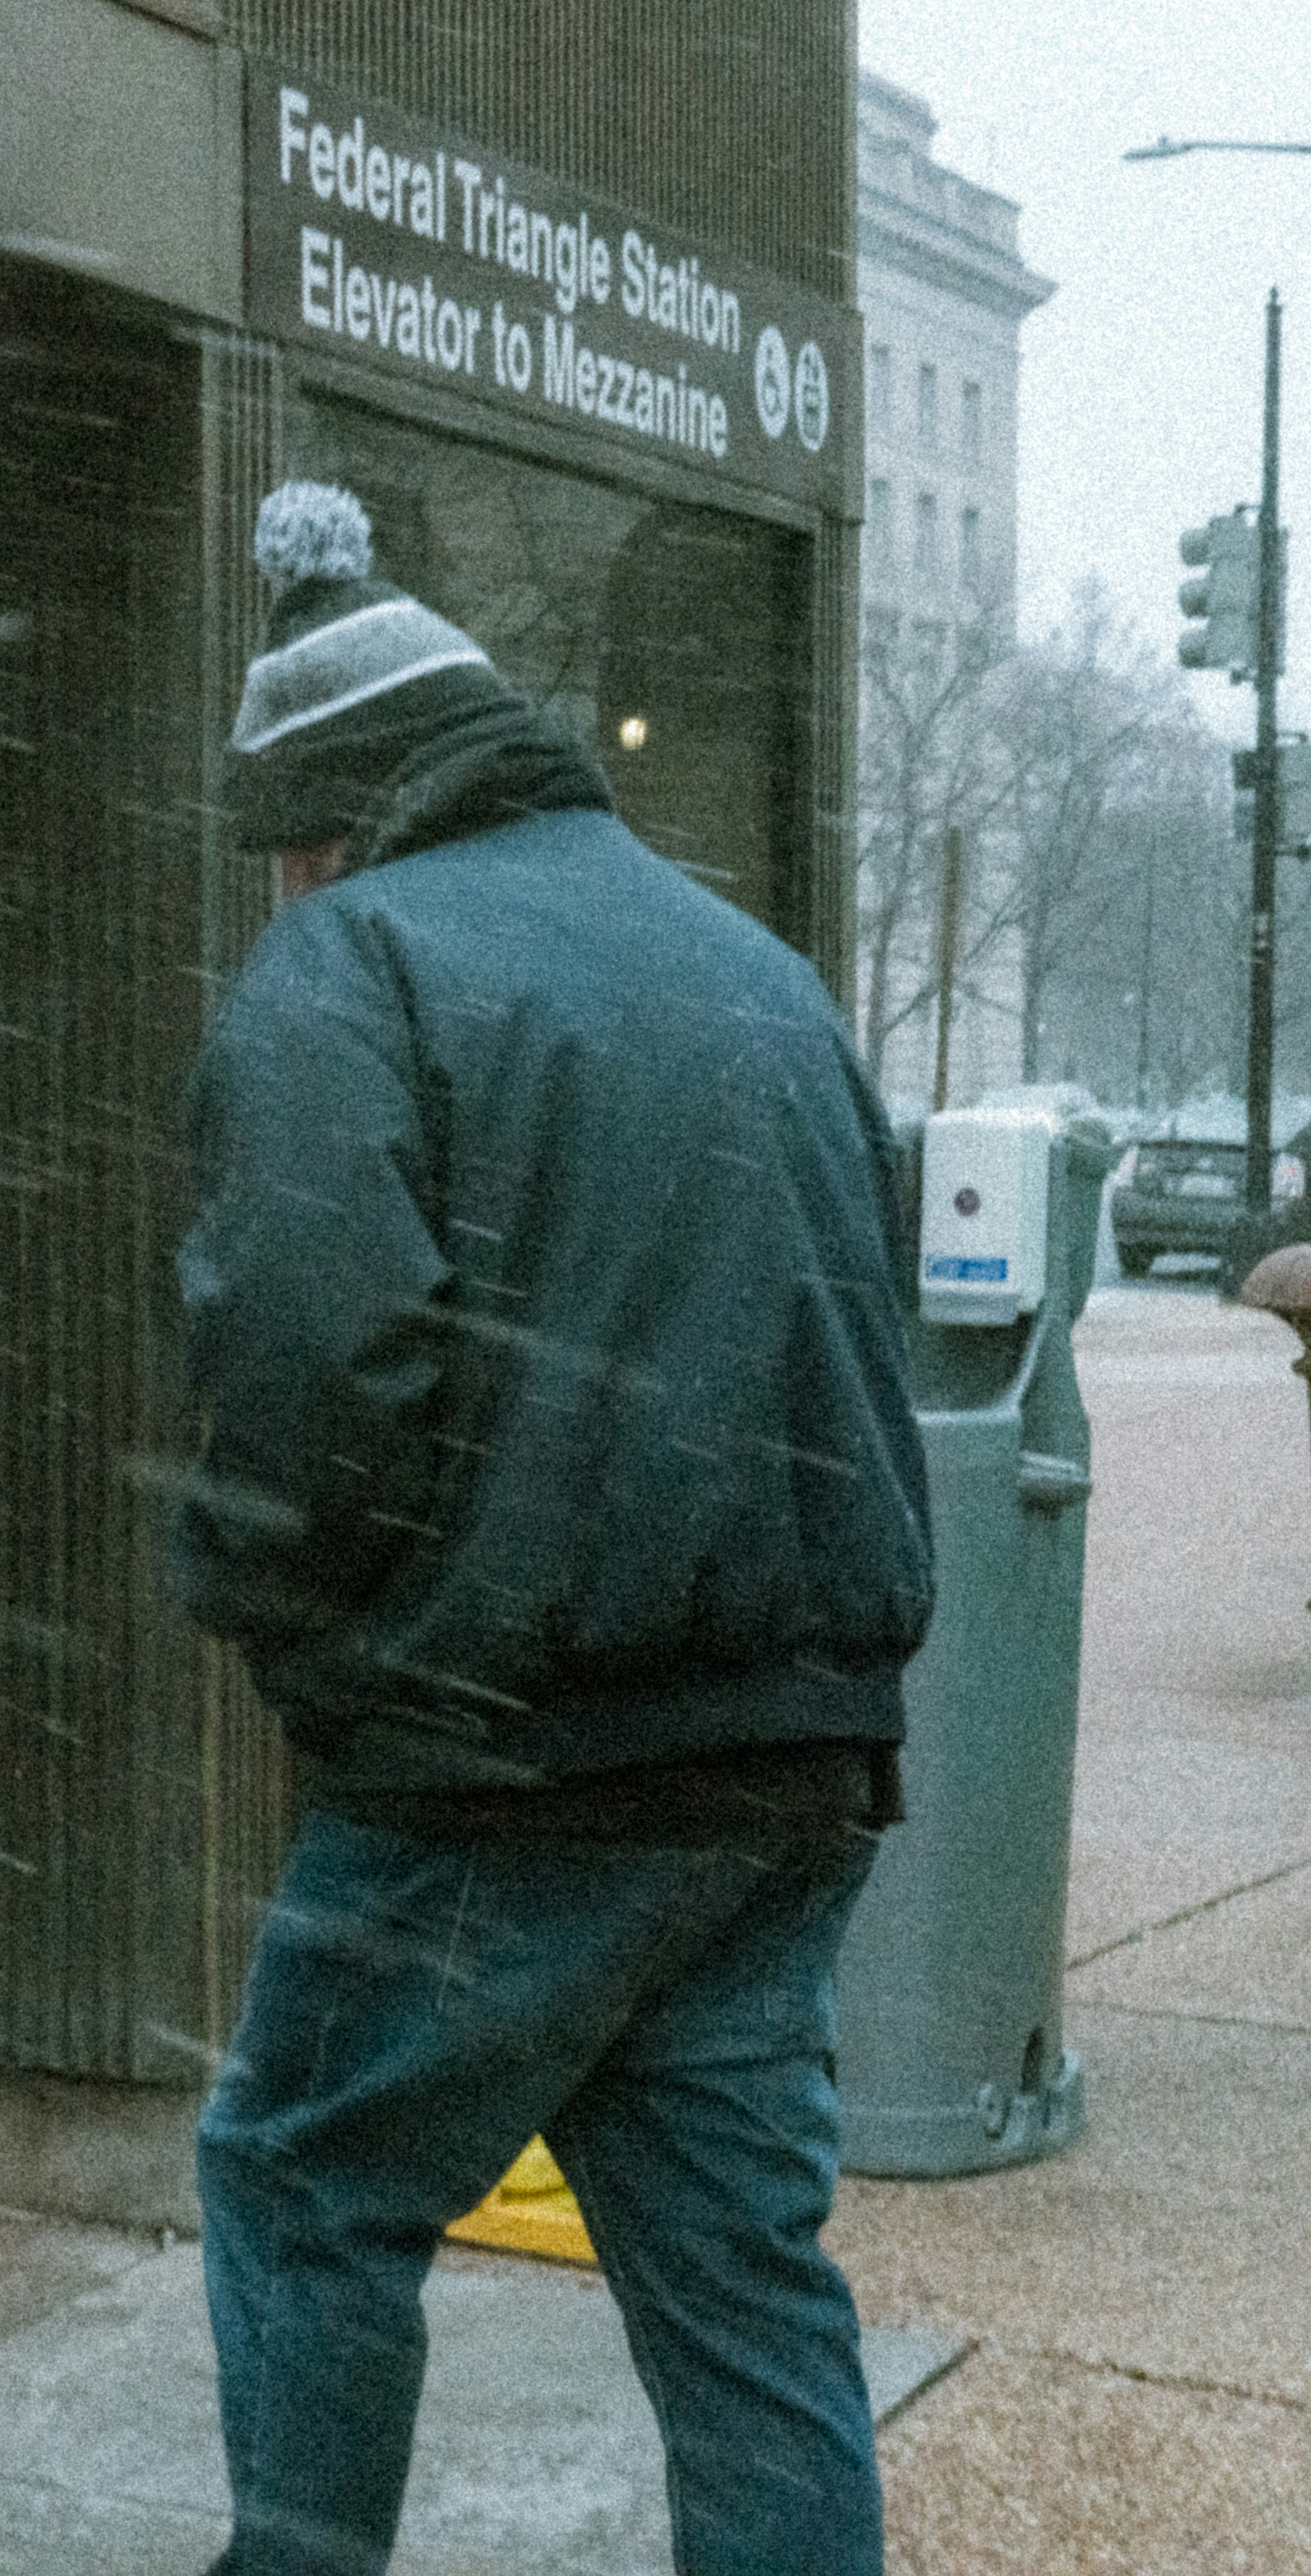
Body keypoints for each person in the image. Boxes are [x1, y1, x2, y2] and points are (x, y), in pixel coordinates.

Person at [174, 483, 934, 2576]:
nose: (286, 887)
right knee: (739, 2287)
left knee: (301, 2186)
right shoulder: (748, 965)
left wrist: (318, 1661)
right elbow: (849, 1324)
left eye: (286, 847)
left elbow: (311, 1378)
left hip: (502, 1762)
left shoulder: (353, 965)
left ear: (338, 814)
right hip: (784, 1764)